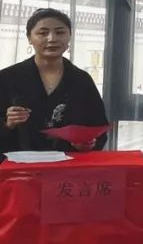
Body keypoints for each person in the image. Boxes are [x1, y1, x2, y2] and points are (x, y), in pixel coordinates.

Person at [0, 8, 108, 157]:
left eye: (60, 32)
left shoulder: (81, 80)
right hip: (17, 165)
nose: (52, 39)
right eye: (43, 33)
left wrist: (87, 144)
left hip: (68, 165)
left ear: (69, 37)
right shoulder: (7, 78)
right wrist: (7, 124)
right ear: (29, 38)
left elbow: (98, 128)